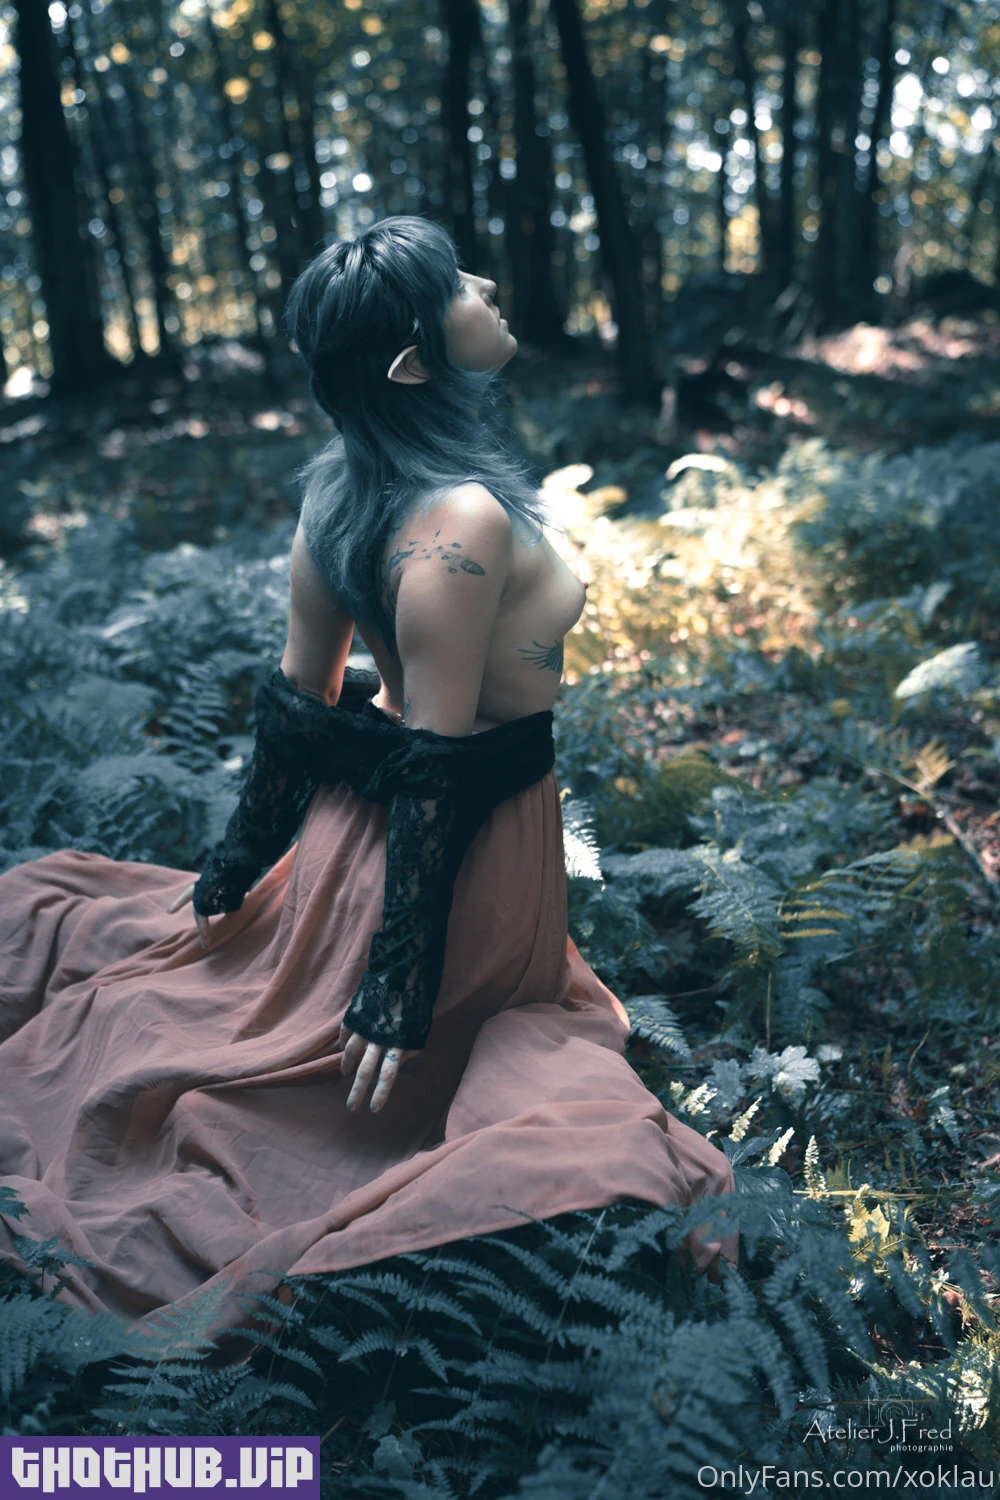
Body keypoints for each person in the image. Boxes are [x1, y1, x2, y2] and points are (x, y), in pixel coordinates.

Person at [0, 216, 736, 1347]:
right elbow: (434, 766)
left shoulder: (341, 487)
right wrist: (397, 982)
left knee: (211, 987)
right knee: (344, 1087)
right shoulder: (459, 521)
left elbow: (299, 707)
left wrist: (241, 863)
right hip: (457, 855)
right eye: (456, 286)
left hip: (358, 841)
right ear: (409, 362)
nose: (484, 283)